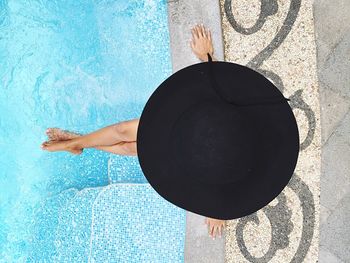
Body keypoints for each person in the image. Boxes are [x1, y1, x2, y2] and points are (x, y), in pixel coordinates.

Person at [41, 24, 225, 239]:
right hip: (190, 123)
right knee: (123, 130)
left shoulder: (244, 153)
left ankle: (76, 142)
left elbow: (229, 175)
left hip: (196, 150)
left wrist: (218, 209)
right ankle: (75, 142)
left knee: (132, 148)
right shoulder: (247, 119)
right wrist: (208, 57)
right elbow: (227, 92)